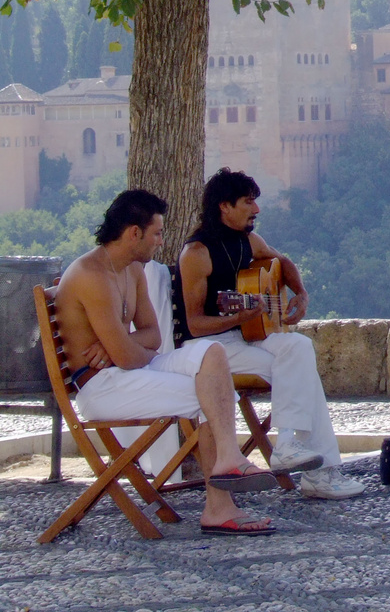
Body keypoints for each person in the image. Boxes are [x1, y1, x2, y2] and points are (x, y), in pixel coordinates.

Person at [54, 189, 279, 536]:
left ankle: (228, 461)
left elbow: (152, 336)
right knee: (211, 393)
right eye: (157, 233)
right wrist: (125, 349)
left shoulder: (132, 270)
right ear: (134, 233)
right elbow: (130, 358)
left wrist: (119, 344)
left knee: (211, 354)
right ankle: (220, 506)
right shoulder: (91, 275)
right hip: (102, 385)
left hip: (128, 370)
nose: (161, 242)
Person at [177, 168, 363, 500]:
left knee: (299, 346)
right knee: (301, 371)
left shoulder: (249, 242)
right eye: (248, 202)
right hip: (209, 349)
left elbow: (284, 262)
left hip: (244, 337)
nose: (257, 210)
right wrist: (239, 317)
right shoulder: (197, 254)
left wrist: (300, 294)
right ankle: (317, 473)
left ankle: (290, 443)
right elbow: (195, 325)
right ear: (225, 206)